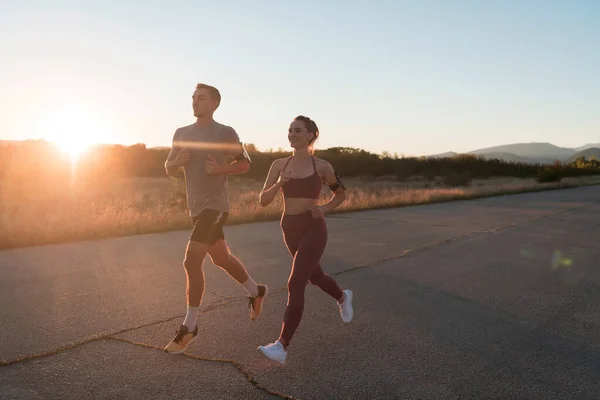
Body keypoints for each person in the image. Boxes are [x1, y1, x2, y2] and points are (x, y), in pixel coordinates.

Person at [163, 83, 268, 354]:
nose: (195, 102)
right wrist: (178, 162)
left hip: (216, 205)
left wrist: (220, 168)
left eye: (201, 98)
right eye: (193, 98)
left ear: (214, 104)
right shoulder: (181, 133)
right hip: (196, 208)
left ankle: (190, 327)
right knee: (221, 258)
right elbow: (168, 166)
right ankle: (256, 291)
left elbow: (245, 163)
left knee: (191, 260)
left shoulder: (225, 132)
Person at [256, 115, 353, 364]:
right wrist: (278, 184)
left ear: (311, 135)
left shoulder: (321, 166)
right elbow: (263, 200)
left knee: (296, 281)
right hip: (289, 226)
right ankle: (343, 297)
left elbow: (341, 193)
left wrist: (326, 208)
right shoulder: (279, 165)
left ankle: (282, 345)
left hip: (313, 225)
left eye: (297, 130)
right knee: (315, 276)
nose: (291, 134)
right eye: (289, 130)